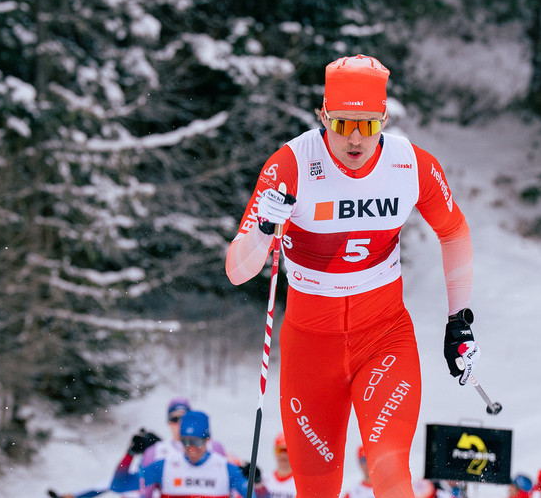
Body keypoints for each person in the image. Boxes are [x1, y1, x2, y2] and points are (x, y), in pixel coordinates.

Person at [225, 53, 480, 498]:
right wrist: (264, 229)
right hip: (310, 349)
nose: (356, 139)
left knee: (388, 470)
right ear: (323, 116)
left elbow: (455, 232)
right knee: (316, 491)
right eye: (343, 124)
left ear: (384, 117)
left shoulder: (410, 164)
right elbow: (237, 271)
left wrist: (459, 319)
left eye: (368, 124)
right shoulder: (291, 165)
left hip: (383, 338)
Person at [110, 410, 259, 497]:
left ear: (207, 440)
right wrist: (129, 455)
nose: (191, 448)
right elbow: (118, 486)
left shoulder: (226, 469)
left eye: (197, 442)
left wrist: (254, 481)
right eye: (186, 442)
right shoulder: (164, 467)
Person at [46, 428, 161, 498]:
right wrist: (129, 454)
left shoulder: (167, 473)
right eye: (146, 455)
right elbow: (100, 488)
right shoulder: (138, 476)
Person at [261, 432, 297, 498]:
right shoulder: (263, 479)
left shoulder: (299, 483)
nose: (283, 455)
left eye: (286, 450)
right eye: (279, 450)